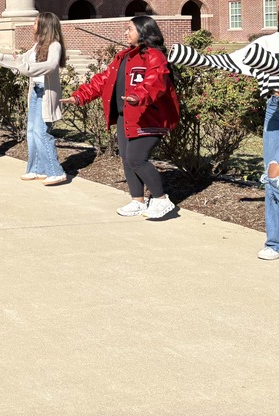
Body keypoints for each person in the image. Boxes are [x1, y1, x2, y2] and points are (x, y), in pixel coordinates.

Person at [168, 31, 279, 257]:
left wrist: (269, 64)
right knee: (271, 178)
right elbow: (231, 61)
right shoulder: (270, 42)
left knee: (275, 174)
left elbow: (265, 63)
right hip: (275, 108)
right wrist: (194, 58)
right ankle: (274, 243)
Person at [64, 16, 180, 219]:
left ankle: (161, 200)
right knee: (127, 159)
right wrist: (80, 96)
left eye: (130, 29)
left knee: (136, 158)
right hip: (124, 116)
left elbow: (155, 81)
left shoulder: (154, 56)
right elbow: (103, 81)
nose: (125, 33)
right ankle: (138, 201)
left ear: (144, 31)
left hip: (148, 117)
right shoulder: (123, 57)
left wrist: (138, 96)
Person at [0, 12, 68, 185]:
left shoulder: (54, 45)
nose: (33, 26)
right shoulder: (37, 46)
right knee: (32, 131)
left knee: (41, 132)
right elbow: (20, 61)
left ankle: (56, 172)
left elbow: (51, 65)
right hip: (35, 91)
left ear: (44, 25)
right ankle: (36, 169)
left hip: (46, 94)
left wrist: (27, 68)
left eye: (35, 23)